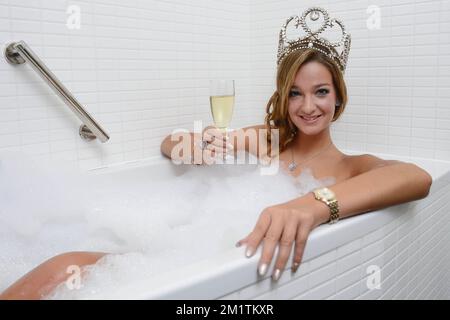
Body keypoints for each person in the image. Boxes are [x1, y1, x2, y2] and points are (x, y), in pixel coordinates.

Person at [0, 7, 432, 299]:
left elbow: (416, 178)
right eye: (295, 93)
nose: (308, 106)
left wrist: (311, 204)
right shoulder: (267, 140)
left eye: (321, 92)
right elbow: (168, 146)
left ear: (338, 96)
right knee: (65, 263)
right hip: (175, 250)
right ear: (283, 98)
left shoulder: (348, 167)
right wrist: (193, 144)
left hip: (205, 266)